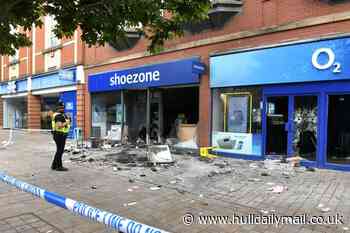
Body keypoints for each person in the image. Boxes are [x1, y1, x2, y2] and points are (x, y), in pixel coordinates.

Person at [51, 102, 71, 171]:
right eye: (61, 108)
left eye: (63, 107)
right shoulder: (58, 116)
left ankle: (54, 165)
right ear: (58, 108)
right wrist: (67, 122)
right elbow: (59, 126)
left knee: (59, 150)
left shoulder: (61, 115)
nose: (62, 109)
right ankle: (59, 166)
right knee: (60, 151)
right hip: (59, 134)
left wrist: (67, 119)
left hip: (60, 134)